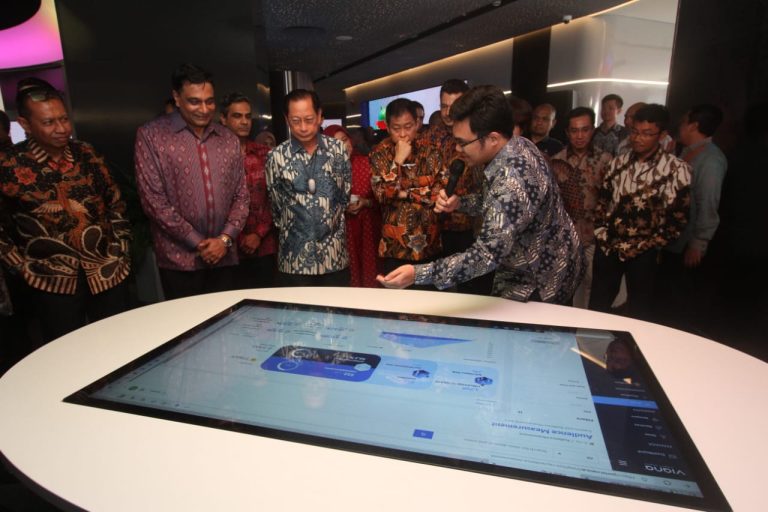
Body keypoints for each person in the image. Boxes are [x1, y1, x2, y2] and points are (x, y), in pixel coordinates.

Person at [377, 85, 583, 304]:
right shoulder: (517, 144)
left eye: (462, 143)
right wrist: (460, 203)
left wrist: (417, 274)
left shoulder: (513, 178)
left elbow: (486, 255)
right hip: (534, 265)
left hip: (540, 279)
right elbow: (494, 202)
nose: (457, 149)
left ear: (493, 138)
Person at [0, 84, 131, 344]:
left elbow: (115, 202)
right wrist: (20, 267)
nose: (61, 129)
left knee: (119, 344)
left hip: (107, 271)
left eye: (63, 119)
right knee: (67, 351)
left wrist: (121, 249)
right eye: (49, 122)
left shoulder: (87, 153)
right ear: (25, 124)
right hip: (51, 282)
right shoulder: (8, 165)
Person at [135, 64, 249, 300]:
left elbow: (241, 195)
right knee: (187, 322)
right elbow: (153, 201)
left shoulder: (228, 139)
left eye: (210, 101)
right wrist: (198, 242)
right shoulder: (152, 136)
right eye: (195, 102)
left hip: (224, 256)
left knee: (228, 319)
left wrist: (224, 240)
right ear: (177, 98)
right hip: (179, 261)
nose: (204, 109)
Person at [589, 104, 691, 320]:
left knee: (639, 312)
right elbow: (602, 202)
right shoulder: (618, 163)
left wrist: (651, 245)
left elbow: (678, 218)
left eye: (647, 133)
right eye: (635, 132)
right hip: (609, 246)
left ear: (661, 135)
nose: (638, 138)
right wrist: (601, 234)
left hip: (645, 252)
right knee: (597, 307)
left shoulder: (675, 169)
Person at [265, 89, 351, 286]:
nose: (303, 127)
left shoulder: (338, 150)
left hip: (334, 257)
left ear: (320, 116)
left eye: (309, 119)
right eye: (296, 121)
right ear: (287, 119)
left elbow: (344, 196)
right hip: (294, 261)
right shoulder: (276, 157)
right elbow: (276, 207)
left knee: (337, 305)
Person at [655, 104, 727, 329]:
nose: (680, 125)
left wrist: (698, 243)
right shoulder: (686, 152)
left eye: (684, 121)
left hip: (686, 244)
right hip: (672, 241)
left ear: (694, 125)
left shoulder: (710, 160)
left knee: (679, 305)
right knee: (664, 301)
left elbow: (708, 203)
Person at [421, 78, 491, 295]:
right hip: (435, 224)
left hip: (470, 224)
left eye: (455, 105)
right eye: (444, 106)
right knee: (437, 289)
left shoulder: (479, 136)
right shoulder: (428, 138)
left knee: (471, 287)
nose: (449, 112)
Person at [369, 98, 445, 289]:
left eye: (408, 127)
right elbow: (382, 195)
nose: (403, 134)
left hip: (429, 243)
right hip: (395, 246)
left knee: (431, 303)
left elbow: (438, 195)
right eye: (396, 128)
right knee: (397, 304)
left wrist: (405, 193)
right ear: (387, 127)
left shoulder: (432, 152)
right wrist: (398, 161)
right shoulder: (378, 154)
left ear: (417, 123)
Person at [551, 107, 612, 308]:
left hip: (595, 235)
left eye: (585, 130)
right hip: (564, 236)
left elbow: (611, 199)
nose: (579, 136)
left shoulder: (606, 160)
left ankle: (585, 325)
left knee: (591, 284)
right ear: (567, 132)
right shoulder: (556, 160)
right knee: (563, 285)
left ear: (592, 130)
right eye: (574, 130)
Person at [219, 92, 277, 289]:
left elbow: (275, 198)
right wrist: (239, 236)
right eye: (237, 116)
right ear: (223, 119)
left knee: (267, 302)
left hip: (264, 245)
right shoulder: (215, 157)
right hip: (229, 247)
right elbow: (215, 203)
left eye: (247, 116)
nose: (244, 122)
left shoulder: (265, 154)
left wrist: (258, 234)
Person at [323, 125, 381, 287]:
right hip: (341, 234)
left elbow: (383, 199)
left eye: (345, 140)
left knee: (371, 276)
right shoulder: (324, 172)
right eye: (336, 143)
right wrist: (342, 206)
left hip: (368, 229)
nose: (343, 146)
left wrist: (365, 202)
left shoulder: (367, 163)